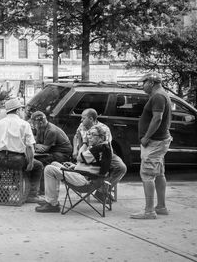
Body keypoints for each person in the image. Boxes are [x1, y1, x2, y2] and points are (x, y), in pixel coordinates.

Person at [35, 124, 112, 213]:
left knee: (49, 169)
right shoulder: (104, 147)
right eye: (89, 134)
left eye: (93, 135)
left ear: (101, 138)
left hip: (86, 182)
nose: (90, 137)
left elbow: (78, 157)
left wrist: (84, 143)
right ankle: (51, 199)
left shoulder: (98, 148)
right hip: (90, 178)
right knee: (54, 164)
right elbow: (95, 167)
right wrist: (75, 167)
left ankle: (52, 203)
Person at [130, 73, 172, 219]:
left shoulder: (158, 96)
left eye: (143, 83)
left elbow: (158, 118)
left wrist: (147, 137)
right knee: (159, 173)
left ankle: (149, 211)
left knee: (147, 175)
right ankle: (161, 207)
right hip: (159, 140)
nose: (142, 86)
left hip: (154, 142)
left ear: (151, 82)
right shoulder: (162, 95)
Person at [0, 98, 43, 203]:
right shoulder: (24, 124)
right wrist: (30, 162)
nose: (22, 112)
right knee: (38, 166)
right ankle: (32, 195)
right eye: (21, 110)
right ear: (17, 110)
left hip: (0, 159)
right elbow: (30, 146)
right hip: (17, 160)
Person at [72, 108, 127, 202]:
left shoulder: (103, 128)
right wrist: (75, 150)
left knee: (121, 167)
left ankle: (101, 191)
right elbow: (76, 137)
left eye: (83, 118)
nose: (81, 120)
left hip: (101, 153)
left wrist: (86, 155)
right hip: (86, 152)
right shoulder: (82, 126)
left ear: (91, 118)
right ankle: (95, 188)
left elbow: (104, 147)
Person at [30, 111, 72, 195]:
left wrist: (35, 145)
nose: (33, 126)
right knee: (35, 160)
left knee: (39, 162)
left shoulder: (51, 131)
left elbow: (44, 149)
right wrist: (36, 145)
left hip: (62, 153)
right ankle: (39, 188)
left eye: (34, 123)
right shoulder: (40, 128)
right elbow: (37, 144)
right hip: (52, 151)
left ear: (41, 122)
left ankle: (42, 190)